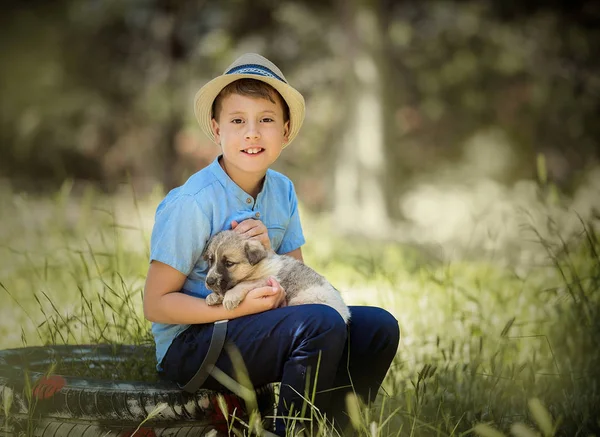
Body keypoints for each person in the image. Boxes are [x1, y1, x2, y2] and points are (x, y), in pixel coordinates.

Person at [143, 53, 399, 436]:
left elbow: (297, 281)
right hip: (195, 345)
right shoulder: (192, 203)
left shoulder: (282, 190)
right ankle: (289, 431)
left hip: (255, 322)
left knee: (378, 327)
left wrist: (269, 253)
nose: (252, 133)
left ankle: (335, 428)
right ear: (216, 130)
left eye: (265, 120)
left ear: (285, 129)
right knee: (322, 323)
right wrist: (237, 308)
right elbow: (156, 304)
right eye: (237, 121)